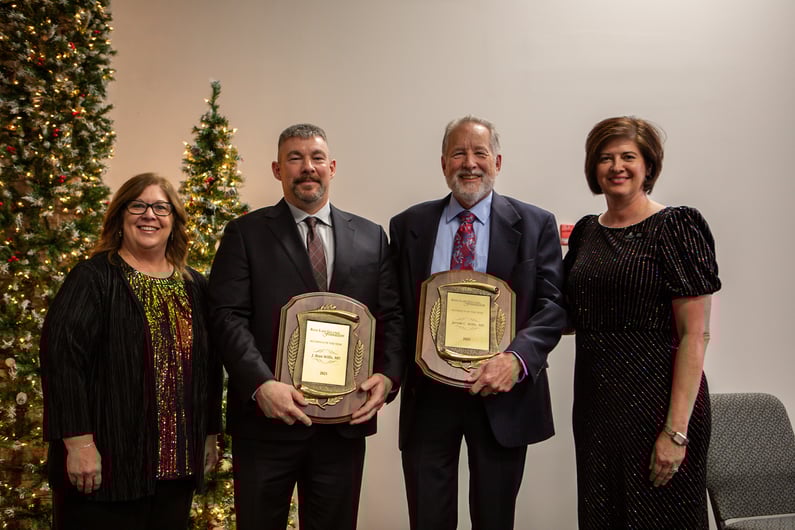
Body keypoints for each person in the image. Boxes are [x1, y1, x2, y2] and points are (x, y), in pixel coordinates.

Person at [208, 123, 404, 530]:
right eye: (294, 158)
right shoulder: (245, 234)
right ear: (278, 170)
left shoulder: (372, 237)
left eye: (316, 158)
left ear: (331, 167)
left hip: (342, 428)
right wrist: (261, 385)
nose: (307, 167)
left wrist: (387, 377)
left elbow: (392, 318)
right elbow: (227, 316)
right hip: (266, 424)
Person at [389, 116, 566, 530]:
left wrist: (516, 360)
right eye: (458, 153)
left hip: (502, 395)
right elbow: (395, 310)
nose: (470, 163)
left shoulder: (536, 224)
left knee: (495, 520)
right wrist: (387, 375)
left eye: (480, 153)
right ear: (443, 163)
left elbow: (554, 305)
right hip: (428, 398)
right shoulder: (408, 225)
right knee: (428, 521)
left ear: (497, 161)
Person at [40, 173, 224, 530]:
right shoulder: (93, 278)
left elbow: (208, 368)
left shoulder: (195, 286)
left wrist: (209, 435)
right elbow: (61, 360)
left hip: (176, 469)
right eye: (137, 205)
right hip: (106, 465)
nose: (149, 215)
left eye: (160, 207)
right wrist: (78, 445)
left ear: (174, 220)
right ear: (120, 217)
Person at [564, 116, 721, 528]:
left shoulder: (676, 227)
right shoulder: (584, 233)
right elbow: (563, 315)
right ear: (593, 169)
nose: (617, 166)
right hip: (597, 411)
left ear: (648, 166)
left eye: (628, 157)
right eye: (606, 158)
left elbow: (694, 335)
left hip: (660, 411)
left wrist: (676, 432)